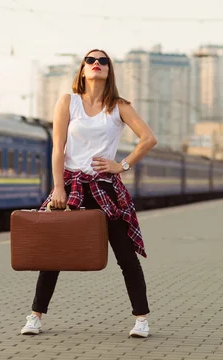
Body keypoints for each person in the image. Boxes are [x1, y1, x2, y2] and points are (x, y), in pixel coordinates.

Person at [20, 49, 157, 338]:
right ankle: (35, 316)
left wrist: (122, 165)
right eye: (91, 61)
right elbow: (58, 148)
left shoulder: (118, 106)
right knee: (52, 255)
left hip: (105, 188)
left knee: (126, 256)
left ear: (109, 70)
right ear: (82, 70)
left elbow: (149, 139)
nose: (96, 64)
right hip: (70, 189)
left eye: (103, 61)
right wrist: (58, 187)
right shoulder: (68, 102)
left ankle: (141, 320)